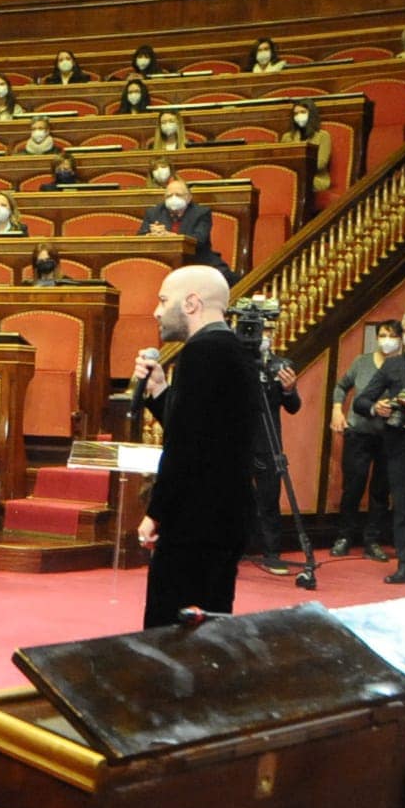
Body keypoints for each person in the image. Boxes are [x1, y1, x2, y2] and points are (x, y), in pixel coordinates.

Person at [133, 267, 264, 625]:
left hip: (196, 520)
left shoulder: (201, 352)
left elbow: (185, 448)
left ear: (191, 303)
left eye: (164, 301)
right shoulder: (232, 350)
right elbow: (203, 429)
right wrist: (161, 392)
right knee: (208, 626)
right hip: (224, 515)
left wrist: (157, 512)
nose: (157, 312)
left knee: (171, 630)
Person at [352, 310, 405, 584]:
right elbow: (360, 401)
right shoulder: (393, 366)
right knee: (404, 506)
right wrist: (376, 407)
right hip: (402, 443)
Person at [329, 322, 401, 561]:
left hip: (389, 436)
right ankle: (344, 536)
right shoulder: (362, 362)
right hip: (358, 433)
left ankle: (372, 540)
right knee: (353, 486)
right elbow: (341, 386)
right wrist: (337, 410)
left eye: (392, 335)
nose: (387, 339)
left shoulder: (403, 367)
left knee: (381, 491)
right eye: (383, 335)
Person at [243, 334, 303, 574]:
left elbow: (293, 407)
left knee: (269, 499)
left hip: (267, 442)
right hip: (236, 440)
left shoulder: (281, 365)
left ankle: (272, 553)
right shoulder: (235, 362)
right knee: (231, 497)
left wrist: (289, 390)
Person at [143, 177, 225, 271]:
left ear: (189, 198)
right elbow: (141, 237)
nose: (173, 198)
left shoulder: (201, 213)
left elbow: (199, 240)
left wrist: (172, 237)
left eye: (178, 195)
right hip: (163, 261)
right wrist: (151, 235)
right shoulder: (153, 212)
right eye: (169, 196)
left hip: (197, 260)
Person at [281, 99, 335, 197]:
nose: (299, 116)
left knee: (297, 182)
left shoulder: (323, 136)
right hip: (292, 177)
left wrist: (297, 168)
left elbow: (321, 163)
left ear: (311, 114)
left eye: (303, 112)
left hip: (316, 179)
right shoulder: (287, 137)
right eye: (296, 114)